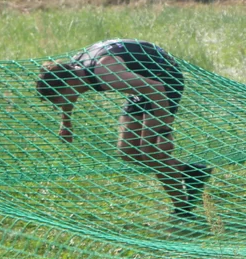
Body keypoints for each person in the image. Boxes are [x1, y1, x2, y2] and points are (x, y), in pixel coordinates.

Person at [36, 39, 212, 224]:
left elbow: (156, 88)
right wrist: (66, 123)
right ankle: (190, 172)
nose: (59, 105)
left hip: (164, 80)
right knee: (127, 151)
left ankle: (182, 211)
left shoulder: (105, 74)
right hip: (143, 82)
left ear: (69, 83)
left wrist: (164, 130)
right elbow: (69, 97)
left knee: (151, 151)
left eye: (58, 100)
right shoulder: (73, 69)